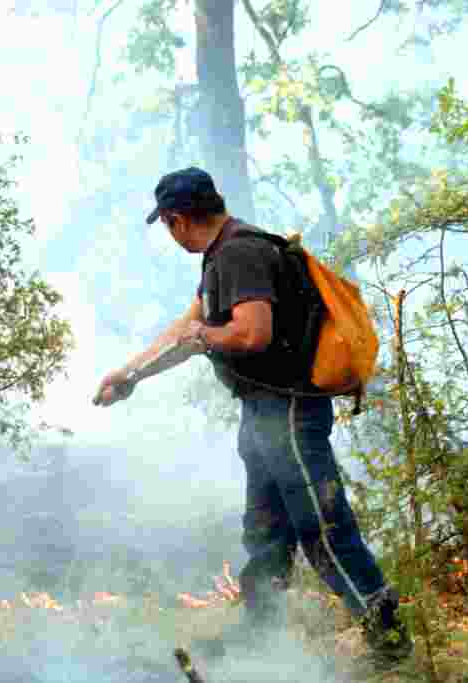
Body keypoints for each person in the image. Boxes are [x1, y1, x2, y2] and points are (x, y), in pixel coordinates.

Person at [94, 167, 413, 674]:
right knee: (266, 535)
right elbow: (187, 328)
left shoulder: (239, 254)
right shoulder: (227, 254)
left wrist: (206, 337)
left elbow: (251, 334)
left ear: (177, 221)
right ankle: (260, 638)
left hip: (286, 411)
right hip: (264, 414)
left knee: (324, 529)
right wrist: (131, 374)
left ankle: (390, 643)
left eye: (168, 225)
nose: (171, 234)